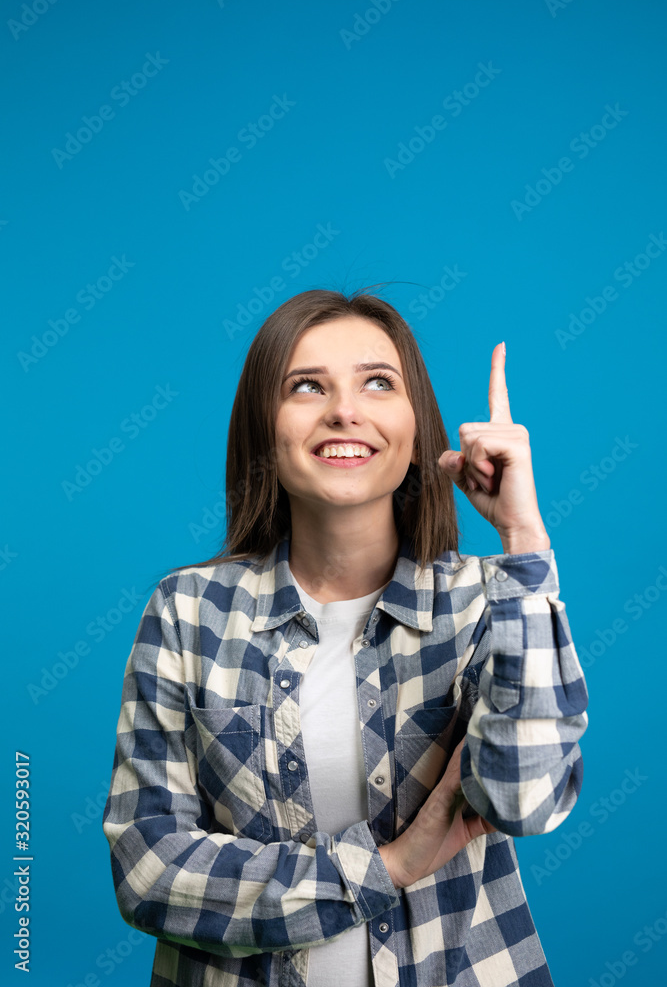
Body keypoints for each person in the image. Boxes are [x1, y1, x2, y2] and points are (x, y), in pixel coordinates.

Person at [102, 287, 589, 987]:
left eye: (377, 383)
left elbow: (525, 800)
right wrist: (389, 865)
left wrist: (523, 541)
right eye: (306, 386)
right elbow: (148, 872)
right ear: (264, 428)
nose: (344, 411)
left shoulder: (488, 600)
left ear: (417, 428)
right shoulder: (188, 610)